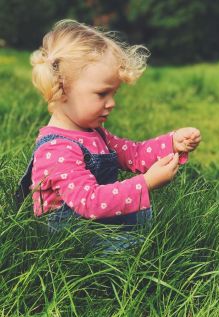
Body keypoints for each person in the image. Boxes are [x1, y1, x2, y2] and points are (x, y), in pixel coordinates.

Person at [15, 19, 201, 252]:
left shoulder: (93, 132)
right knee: (139, 248)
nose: (111, 103)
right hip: (68, 236)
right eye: (102, 94)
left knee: (146, 219)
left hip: (93, 220)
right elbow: (90, 201)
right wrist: (146, 183)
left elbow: (133, 153)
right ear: (61, 88)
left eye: (114, 93)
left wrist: (172, 143)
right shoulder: (57, 148)